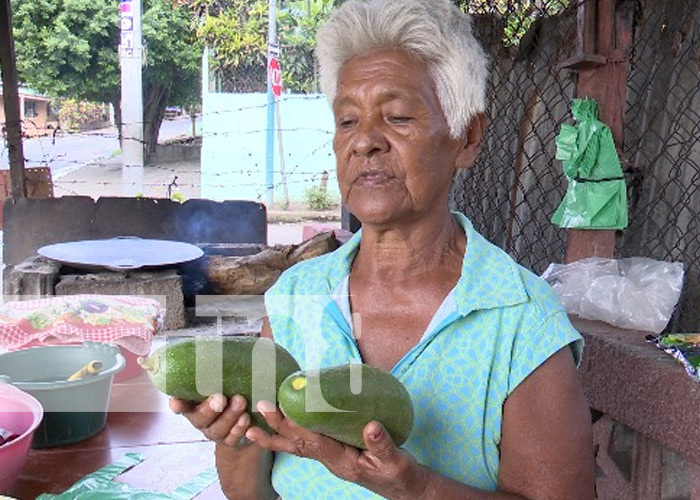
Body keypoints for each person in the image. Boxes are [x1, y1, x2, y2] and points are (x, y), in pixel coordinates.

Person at [170, 0, 595, 498]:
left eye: (396, 117)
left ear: (467, 137)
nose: (365, 141)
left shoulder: (521, 320)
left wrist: (419, 489)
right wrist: (237, 437)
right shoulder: (296, 297)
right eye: (347, 121)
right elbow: (251, 493)